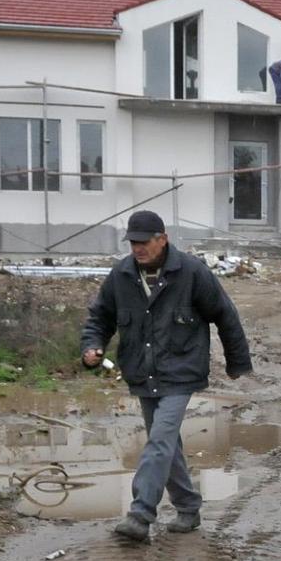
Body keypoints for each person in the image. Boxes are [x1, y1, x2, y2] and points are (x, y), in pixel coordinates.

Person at [80, 210, 251, 542]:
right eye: (133, 242)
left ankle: (140, 514)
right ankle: (188, 507)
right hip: (142, 372)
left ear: (163, 240)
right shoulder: (121, 275)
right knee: (166, 444)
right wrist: (91, 347)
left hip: (181, 370)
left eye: (144, 242)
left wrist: (237, 363)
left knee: (159, 440)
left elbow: (224, 314)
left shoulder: (191, 272)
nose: (138, 248)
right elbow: (100, 317)